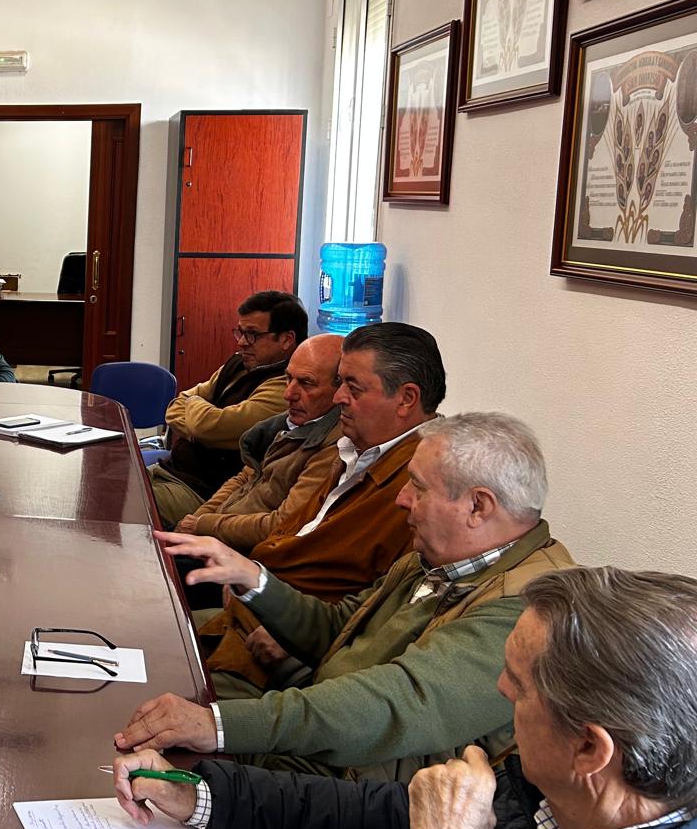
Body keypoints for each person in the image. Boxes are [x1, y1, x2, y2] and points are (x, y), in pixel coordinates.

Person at [112, 566, 697, 829]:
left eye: (519, 684)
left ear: (590, 748)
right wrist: (201, 792)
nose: (499, 690)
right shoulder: (549, 795)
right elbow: (365, 815)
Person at [116, 413, 576, 783]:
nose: (400, 500)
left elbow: (390, 707)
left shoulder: (528, 606)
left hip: (359, 787)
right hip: (324, 741)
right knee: (143, 711)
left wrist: (218, 725)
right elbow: (338, 630)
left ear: (478, 506)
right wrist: (254, 579)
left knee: (152, 761)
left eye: (417, 487)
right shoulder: (439, 558)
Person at [198, 321, 445, 684]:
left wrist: (297, 635)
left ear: (407, 398)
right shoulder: (354, 448)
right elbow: (294, 531)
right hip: (253, 607)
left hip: (285, 647)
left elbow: (394, 598)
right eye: (340, 382)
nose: (338, 397)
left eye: (353, 387)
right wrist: (249, 573)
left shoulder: (426, 478)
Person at [148, 291, 306, 527]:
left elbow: (212, 424)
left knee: (113, 499)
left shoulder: (285, 385)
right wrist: (200, 426)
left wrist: (198, 416)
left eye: (252, 334)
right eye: (240, 332)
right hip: (172, 470)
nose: (241, 342)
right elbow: (175, 407)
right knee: (103, 480)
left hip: (201, 493)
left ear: (286, 339)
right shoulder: (239, 364)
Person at [176, 333, 345, 552]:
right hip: (215, 533)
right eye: (288, 378)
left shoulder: (334, 446)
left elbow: (284, 524)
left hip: (241, 554)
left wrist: (203, 525)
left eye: (306, 383)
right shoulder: (288, 423)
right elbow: (243, 478)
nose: (288, 393)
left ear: (342, 389)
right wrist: (196, 520)